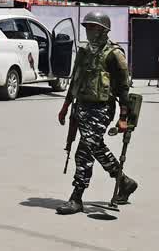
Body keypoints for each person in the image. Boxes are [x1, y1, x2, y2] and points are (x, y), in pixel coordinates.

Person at [56, 12, 136, 215]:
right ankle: (124, 182)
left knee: (84, 151)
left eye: (92, 27)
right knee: (96, 146)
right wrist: (66, 106)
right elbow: (75, 80)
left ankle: (77, 197)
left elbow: (124, 88)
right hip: (81, 106)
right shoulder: (84, 52)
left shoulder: (114, 54)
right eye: (87, 27)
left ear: (103, 30)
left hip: (102, 109)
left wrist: (123, 117)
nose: (88, 31)